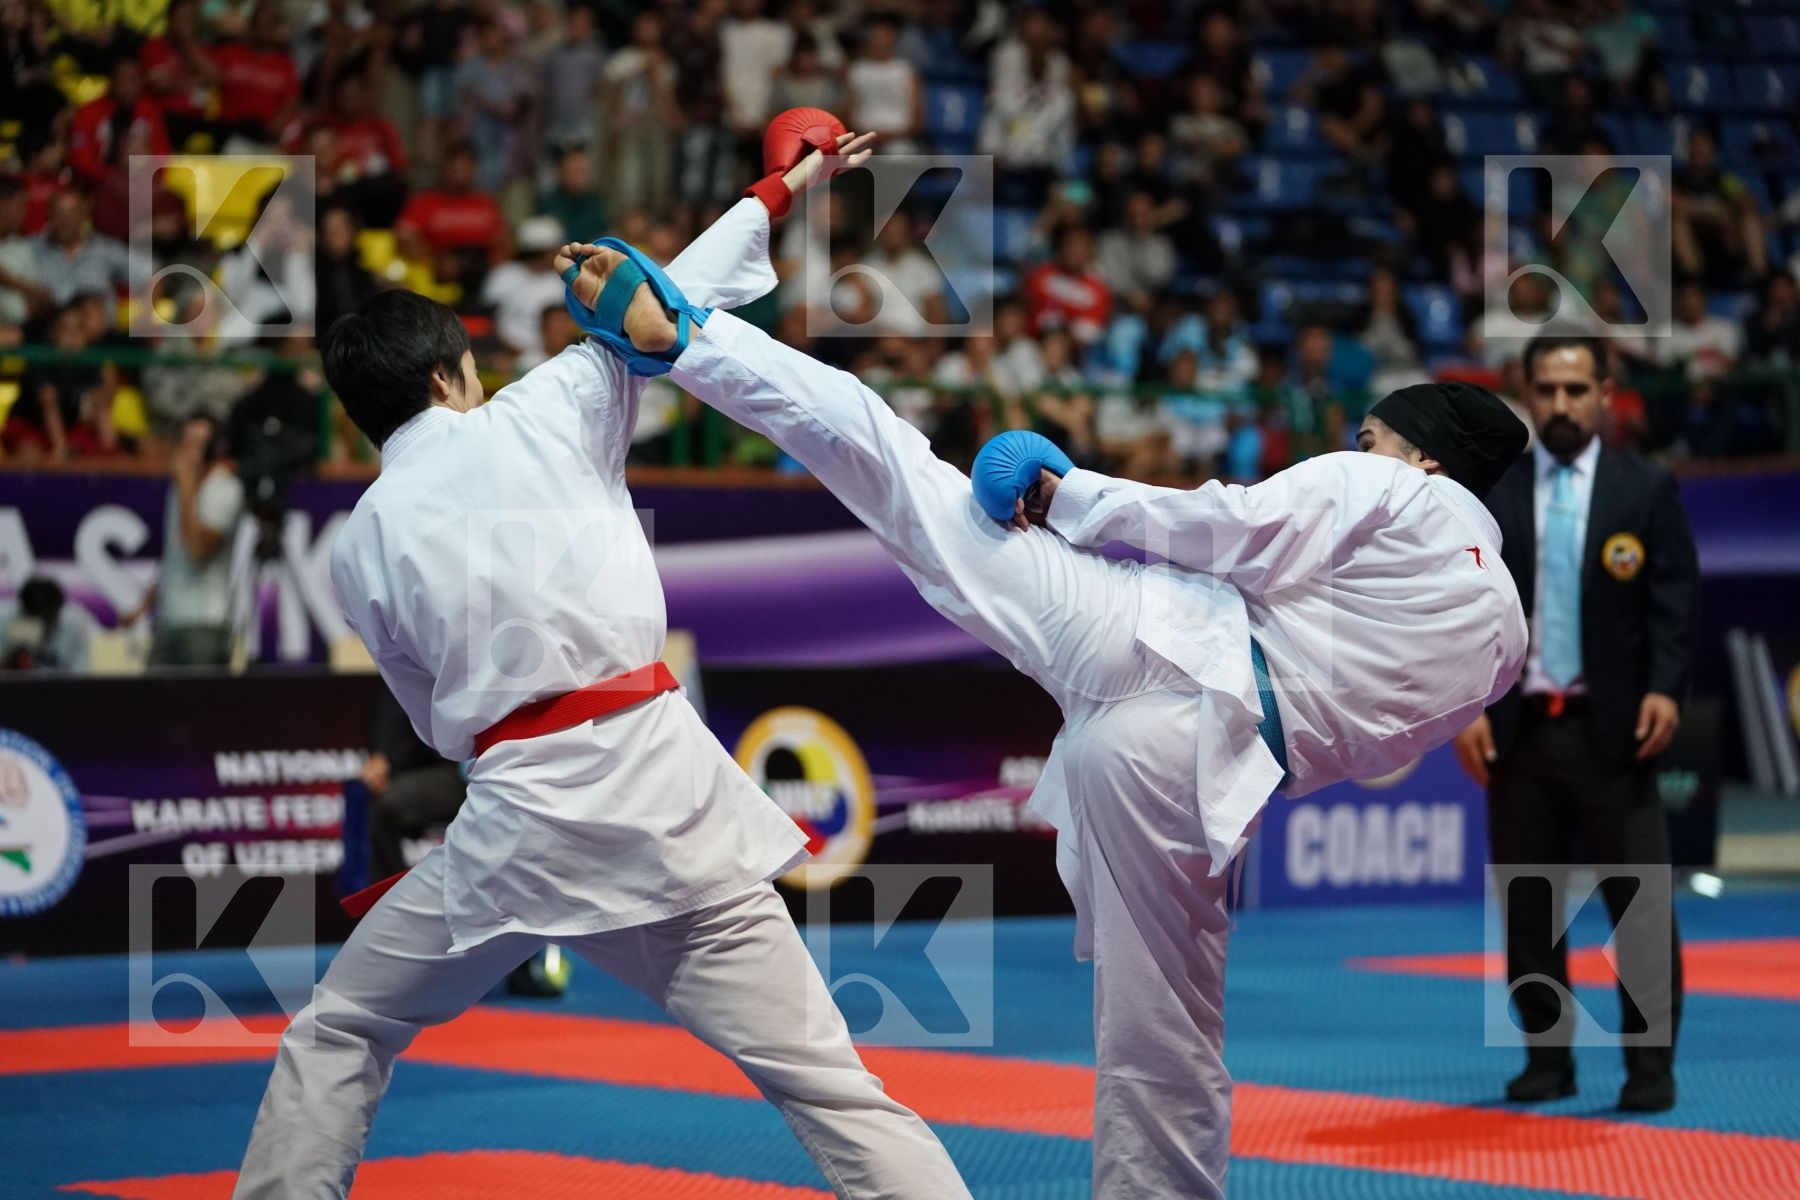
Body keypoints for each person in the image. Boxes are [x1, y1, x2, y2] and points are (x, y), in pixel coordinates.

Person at [565, 129, 1532, 1199]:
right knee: (1164, 1035)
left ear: (1429, 454)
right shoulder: (1505, 644)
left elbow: (1237, 527)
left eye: (1373, 431)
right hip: (1208, 779)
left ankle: (688, 339)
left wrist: (1065, 494)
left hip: (1153, 642)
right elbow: (1361, 711)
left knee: (900, 470)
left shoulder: (1400, 488)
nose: (1359, 440)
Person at [231, 122, 972, 1200]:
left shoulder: (359, 542)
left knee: (342, 1029)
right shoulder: (554, 405)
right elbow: (671, 297)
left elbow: (434, 717)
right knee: (831, 1087)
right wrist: (783, 185)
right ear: (453, 372)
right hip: (670, 802)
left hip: (520, 832)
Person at [1453, 334, 1697, 1113]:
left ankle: (1649, 1069)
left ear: (1604, 392)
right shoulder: (1493, 493)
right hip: (1520, 729)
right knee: (1529, 906)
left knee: (1642, 905)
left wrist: (1666, 688)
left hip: (1615, 727)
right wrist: (1465, 708)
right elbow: (1461, 613)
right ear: (1527, 394)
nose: (1560, 405)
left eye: (1574, 389)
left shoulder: (1644, 489)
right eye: (1546, 390)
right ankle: (1546, 1058)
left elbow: (1674, 600)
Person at [126, 414, 245, 668]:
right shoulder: (177, 490)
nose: (189, 451)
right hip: (169, 619)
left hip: (205, 623)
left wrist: (187, 486)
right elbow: (174, 556)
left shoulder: (225, 489)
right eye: (186, 442)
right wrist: (142, 607)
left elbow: (197, 551)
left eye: (199, 443)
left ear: (215, 448)